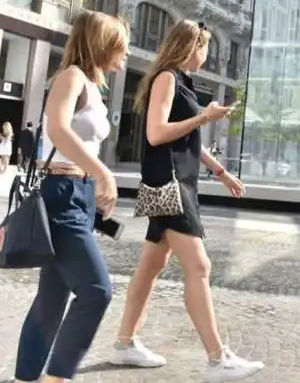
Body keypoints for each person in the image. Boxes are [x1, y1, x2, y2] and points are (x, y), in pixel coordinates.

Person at [110, 20, 263, 381]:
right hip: (171, 185)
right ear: (190, 46)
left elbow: (189, 141)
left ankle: (124, 342)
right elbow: (156, 133)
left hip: (177, 183)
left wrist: (222, 173)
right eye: (204, 47)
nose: (206, 55)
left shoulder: (182, 81)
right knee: (199, 267)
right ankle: (217, 359)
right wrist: (202, 117)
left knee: (151, 267)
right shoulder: (167, 78)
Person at [13, 11, 127, 383]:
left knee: (51, 299)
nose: (124, 58)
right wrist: (102, 171)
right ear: (102, 44)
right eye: (120, 49)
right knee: (96, 291)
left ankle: (26, 377)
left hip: (79, 195)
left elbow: (82, 140)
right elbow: (57, 130)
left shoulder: (93, 87)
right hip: (61, 194)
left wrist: (94, 187)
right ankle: (56, 378)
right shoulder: (71, 77)